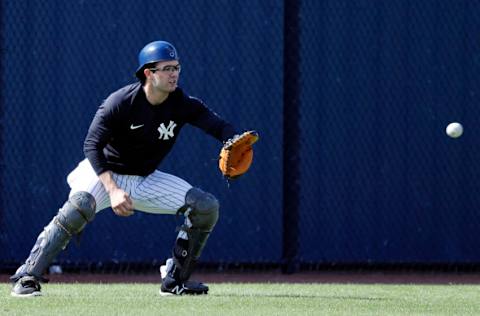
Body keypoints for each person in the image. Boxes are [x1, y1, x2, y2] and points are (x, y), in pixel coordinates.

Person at [10, 40, 250, 297]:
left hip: (144, 179)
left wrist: (234, 140)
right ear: (149, 73)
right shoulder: (121, 102)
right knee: (80, 204)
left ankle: (175, 281)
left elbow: (218, 126)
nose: (174, 73)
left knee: (206, 207)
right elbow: (91, 146)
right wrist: (112, 190)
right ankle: (28, 275)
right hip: (103, 173)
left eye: (177, 67)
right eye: (167, 68)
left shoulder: (181, 103)